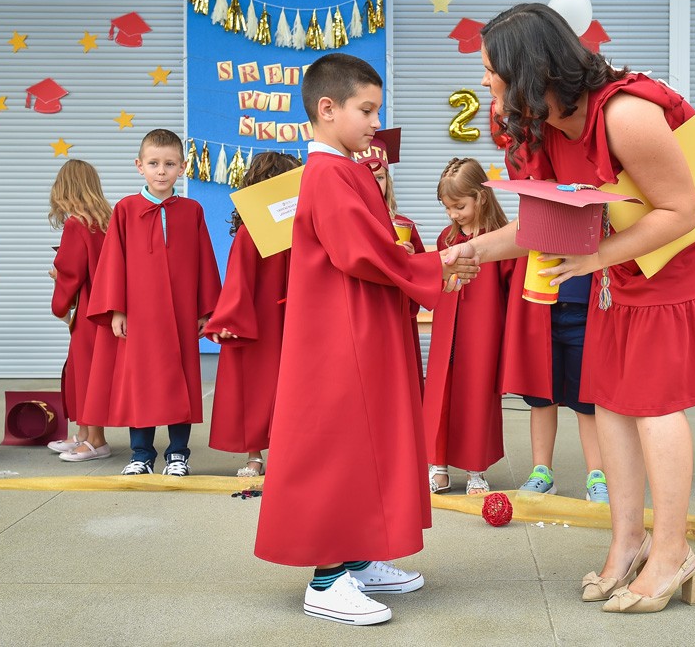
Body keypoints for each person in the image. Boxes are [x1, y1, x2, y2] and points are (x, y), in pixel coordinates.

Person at [447, 3, 695, 614]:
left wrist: (596, 259)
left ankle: (674, 551)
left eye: (491, 68)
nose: (485, 81)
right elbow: (539, 226)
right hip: (625, 254)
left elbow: (681, 211)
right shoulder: (543, 126)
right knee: (609, 396)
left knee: (652, 401)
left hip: (689, 249)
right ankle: (629, 541)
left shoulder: (626, 115)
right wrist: (465, 253)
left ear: (528, 69)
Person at [252, 53, 477, 626]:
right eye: (367, 110)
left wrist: (426, 267)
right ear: (327, 110)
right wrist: (438, 265)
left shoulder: (346, 167)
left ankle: (355, 557)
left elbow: (373, 249)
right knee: (342, 445)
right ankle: (327, 580)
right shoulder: (327, 173)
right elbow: (362, 251)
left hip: (360, 323)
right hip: (339, 332)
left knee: (371, 439)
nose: (377, 122)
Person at [81, 129, 221, 477]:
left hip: (180, 314)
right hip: (140, 316)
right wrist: (117, 309)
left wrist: (206, 311)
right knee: (139, 384)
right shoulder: (127, 209)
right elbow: (113, 261)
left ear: (183, 167)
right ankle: (141, 454)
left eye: (170, 164)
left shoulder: (191, 211)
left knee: (181, 383)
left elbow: (205, 260)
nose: (162, 171)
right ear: (139, 166)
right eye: (154, 163)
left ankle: (178, 454)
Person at [496, 144, 608, 505]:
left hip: (585, 307)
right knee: (540, 396)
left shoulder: (593, 195)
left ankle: (598, 474)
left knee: (587, 399)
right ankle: (541, 471)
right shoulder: (538, 194)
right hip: (542, 305)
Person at [204, 151, 301, 478]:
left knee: (294, 389)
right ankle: (254, 456)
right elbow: (238, 279)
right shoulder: (251, 233)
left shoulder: (303, 230)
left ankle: (290, 454)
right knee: (259, 388)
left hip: (297, 319)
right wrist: (231, 319)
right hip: (262, 321)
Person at [423, 157, 512, 496]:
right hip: (449, 331)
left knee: (477, 395)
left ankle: (476, 469)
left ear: (481, 197)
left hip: (482, 330)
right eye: (447, 208)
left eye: (459, 206)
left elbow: (509, 288)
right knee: (441, 396)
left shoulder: (499, 240)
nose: (453, 215)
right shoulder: (448, 237)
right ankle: (439, 466)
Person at [45, 159, 114, 463]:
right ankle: (84, 435)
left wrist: (58, 283)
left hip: (87, 309)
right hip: (108, 308)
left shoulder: (77, 223)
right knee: (92, 371)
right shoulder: (107, 221)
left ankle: (96, 441)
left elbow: (71, 271)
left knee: (86, 373)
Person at [359, 131, 427, 394]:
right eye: (367, 178)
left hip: (396, 318)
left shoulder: (403, 225)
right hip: (366, 316)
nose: (375, 185)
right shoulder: (351, 220)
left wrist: (409, 260)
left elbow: (422, 277)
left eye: (379, 178)